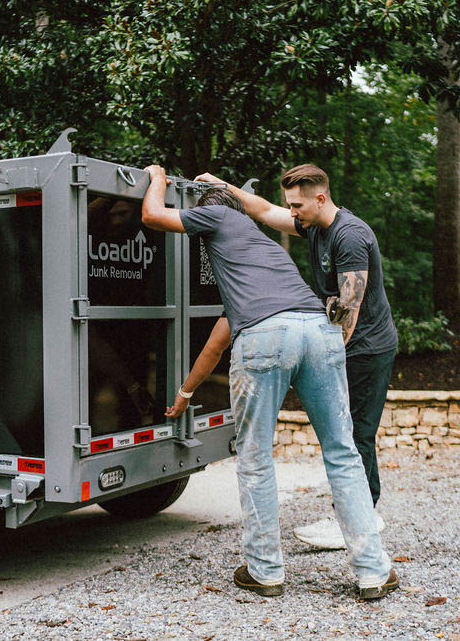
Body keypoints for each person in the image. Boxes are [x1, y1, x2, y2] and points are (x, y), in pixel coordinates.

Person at [141, 164, 397, 600]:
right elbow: (217, 342)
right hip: (318, 332)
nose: (292, 210)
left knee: (257, 457)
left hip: (285, 338)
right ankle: (373, 571)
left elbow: (153, 217)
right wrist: (185, 393)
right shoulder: (264, 253)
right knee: (343, 452)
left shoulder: (222, 218)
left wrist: (157, 179)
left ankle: (265, 571)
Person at [200, 164, 398, 550]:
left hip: (365, 347)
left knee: (356, 433)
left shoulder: (350, 235)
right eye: (290, 204)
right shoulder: (313, 225)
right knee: (347, 433)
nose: (291, 212)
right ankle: (356, 512)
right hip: (341, 342)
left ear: (320, 198)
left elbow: (348, 309)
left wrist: (325, 361)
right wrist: (223, 186)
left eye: (297, 205)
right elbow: (261, 210)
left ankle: (363, 517)